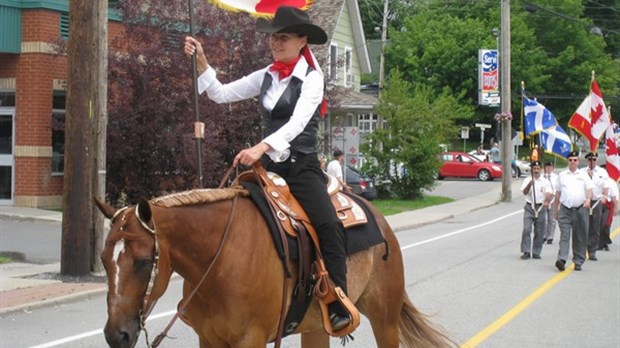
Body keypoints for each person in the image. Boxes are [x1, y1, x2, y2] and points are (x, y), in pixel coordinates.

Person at [183, 6, 351, 330]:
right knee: (230, 217)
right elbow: (220, 94)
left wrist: (261, 146)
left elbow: (297, 124)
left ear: (303, 40)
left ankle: (337, 299)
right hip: (268, 170)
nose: (276, 43)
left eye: (283, 38)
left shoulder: (313, 79)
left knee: (329, 225)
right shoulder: (266, 75)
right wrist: (202, 61)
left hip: (300, 166)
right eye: (274, 38)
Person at [553, 151, 594, 271]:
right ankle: (562, 259)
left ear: (578, 162)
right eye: (570, 160)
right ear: (568, 161)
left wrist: (588, 199)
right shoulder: (562, 175)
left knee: (580, 236)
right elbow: (558, 193)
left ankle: (578, 261)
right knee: (564, 235)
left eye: (575, 160)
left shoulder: (584, 175)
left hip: (580, 209)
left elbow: (590, 190)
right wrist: (555, 210)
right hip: (565, 209)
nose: (572, 162)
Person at [519, 161, 552, 259]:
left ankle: (536, 251)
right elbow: (524, 192)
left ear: (541, 169)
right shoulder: (528, 179)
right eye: (534, 169)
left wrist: (546, 201)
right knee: (527, 229)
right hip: (530, 207)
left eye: (538, 168)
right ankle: (526, 251)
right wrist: (530, 184)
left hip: (540, 207)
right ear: (532, 170)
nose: (536, 171)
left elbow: (549, 193)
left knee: (539, 231)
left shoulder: (545, 181)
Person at [580, 152, 609, 261]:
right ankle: (582, 249)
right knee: (583, 226)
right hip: (585, 202)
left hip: (596, 202)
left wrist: (605, 196)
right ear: (587, 160)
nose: (592, 162)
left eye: (594, 159)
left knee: (595, 227)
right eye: (590, 160)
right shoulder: (582, 172)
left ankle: (592, 251)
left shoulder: (602, 172)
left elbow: (606, 186)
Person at [599, 176, 618, 251]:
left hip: (608, 205)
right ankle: (598, 243)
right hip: (596, 204)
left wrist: (616, 207)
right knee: (596, 223)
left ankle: (605, 242)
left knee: (605, 224)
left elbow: (614, 195)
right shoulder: (595, 180)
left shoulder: (611, 182)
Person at [542, 161, 559, 244]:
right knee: (543, 218)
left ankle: (550, 237)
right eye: (547, 167)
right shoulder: (542, 177)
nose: (548, 168)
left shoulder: (556, 178)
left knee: (551, 219)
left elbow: (558, 188)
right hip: (543, 199)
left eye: (550, 167)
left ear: (553, 168)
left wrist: (555, 195)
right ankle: (544, 235)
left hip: (553, 199)